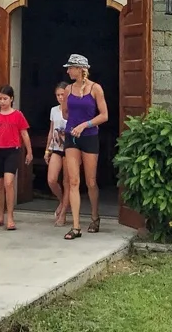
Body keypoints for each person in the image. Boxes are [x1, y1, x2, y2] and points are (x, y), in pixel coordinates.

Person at [60, 54, 108, 240]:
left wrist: (85, 124)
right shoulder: (68, 89)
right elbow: (65, 113)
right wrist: (73, 124)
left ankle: (95, 217)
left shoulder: (95, 88)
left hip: (89, 136)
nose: (68, 71)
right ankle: (76, 226)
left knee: (91, 181)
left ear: (80, 69)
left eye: (70, 67)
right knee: (73, 181)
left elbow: (104, 115)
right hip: (72, 138)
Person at [0, 85, 33, 231]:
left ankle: (10, 217)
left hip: (13, 151)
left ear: (11, 99)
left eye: (5, 98)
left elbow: (24, 134)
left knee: (8, 182)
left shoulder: (18, 115)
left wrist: (29, 152)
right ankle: (0, 216)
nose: (2, 102)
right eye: (0, 99)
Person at [45, 82, 70, 227]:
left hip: (70, 148)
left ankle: (64, 213)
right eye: (58, 95)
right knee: (52, 179)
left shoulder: (72, 109)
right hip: (56, 147)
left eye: (62, 94)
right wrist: (47, 149)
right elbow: (51, 130)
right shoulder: (54, 110)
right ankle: (62, 201)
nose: (60, 97)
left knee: (67, 181)